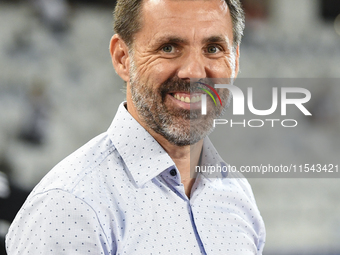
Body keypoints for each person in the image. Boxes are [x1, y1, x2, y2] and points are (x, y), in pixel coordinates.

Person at [6, 0, 266, 254]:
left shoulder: (237, 194)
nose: (195, 72)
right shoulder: (70, 206)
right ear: (122, 58)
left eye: (213, 48)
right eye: (169, 47)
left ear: (236, 60)